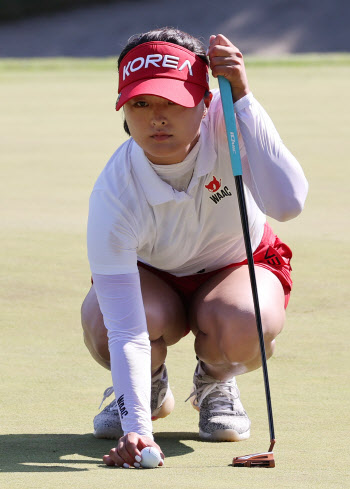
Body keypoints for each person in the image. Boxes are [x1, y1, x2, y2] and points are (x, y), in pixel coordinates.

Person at [81, 27, 308, 469]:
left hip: (234, 266)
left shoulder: (228, 122)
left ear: (205, 103)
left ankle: (215, 381)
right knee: (106, 324)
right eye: (141, 104)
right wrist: (138, 431)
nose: (156, 118)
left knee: (246, 321)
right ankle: (146, 388)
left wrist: (242, 98)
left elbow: (288, 203)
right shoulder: (113, 192)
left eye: (174, 102)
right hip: (154, 281)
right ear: (125, 111)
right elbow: (128, 331)